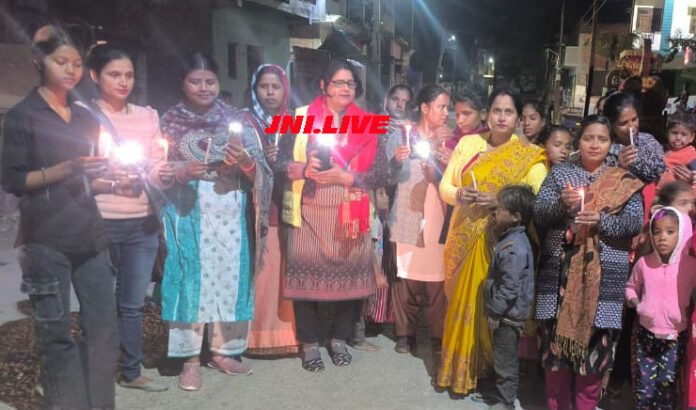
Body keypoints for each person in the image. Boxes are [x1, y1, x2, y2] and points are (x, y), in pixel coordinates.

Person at [1, 25, 118, 409]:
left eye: (77, 63)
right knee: (56, 334)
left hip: (90, 236)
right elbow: (14, 180)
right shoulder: (24, 116)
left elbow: (90, 178)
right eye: (60, 61)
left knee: (103, 330)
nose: (71, 70)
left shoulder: (85, 117)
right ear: (39, 60)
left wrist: (114, 181)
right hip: (45, 239)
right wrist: (66, 168)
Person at [159, 52, 272, 390]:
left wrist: (244, 162)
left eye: (210, 81)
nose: (204, 87)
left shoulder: (236, 120)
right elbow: (155, 168)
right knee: (190, 280)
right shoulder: (169, 122)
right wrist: (181, 171)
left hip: (230, 211)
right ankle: (190, 359)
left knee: (229, 278)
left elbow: (260, 167)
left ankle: (224, 351)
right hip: (187, 211)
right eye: (195, 81)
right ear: (183, 84)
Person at [279, 59, 389, 372]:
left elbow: (381, 172)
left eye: (350, 83)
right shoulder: (299, 118)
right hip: (309, 212)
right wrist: (303, 168)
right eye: (338, 82)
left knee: (351, 282)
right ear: (323, 85)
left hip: (351, 211)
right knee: (305, 284)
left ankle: (339, 340)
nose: (345, 89)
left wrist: (349, 177)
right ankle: (310, 344)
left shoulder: (368, 123)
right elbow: (279, 162)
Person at [436, 87, 548, 395]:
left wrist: (499, 201)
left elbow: (535, 200)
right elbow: (446, 185)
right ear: (487, 113)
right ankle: (458, 371)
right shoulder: (469, 143)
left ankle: (486, 372)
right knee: (460, 303)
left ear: (518, 118)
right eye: (497, 110)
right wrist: (459, 194)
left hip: (499, 243)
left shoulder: (528, 156)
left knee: (489, 305)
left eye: (509, 112)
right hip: (463, 235)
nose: (502, 117)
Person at [534, 115, 644, 410]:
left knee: (595, 352)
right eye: (588, 138)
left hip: (603, 278)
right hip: (560, 273)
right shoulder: (560, 175)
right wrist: (562, 203)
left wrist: (601, 220)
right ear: (578, 141)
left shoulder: (624, 181)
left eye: (602, 139)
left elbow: (634, 223)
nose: (595, 144)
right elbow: (540, 213)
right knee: (555, 351)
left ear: (611, 144)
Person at [87, 43, 170, 391]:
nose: (123, 82)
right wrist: (108, 178)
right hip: (98, 222)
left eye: (129, 75)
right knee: (97, 303)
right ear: (95, 76)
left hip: (141, 223)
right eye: (114, 74)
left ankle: (131, 371)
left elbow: (155, 163)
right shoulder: (82, 116)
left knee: (133, 304)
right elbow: (79, 172)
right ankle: (96, 371)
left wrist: (161, 173)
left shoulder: (147, 117)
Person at [387, 85, 451, 356]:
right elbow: (386, 176)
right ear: (425, 108)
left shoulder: (450, 141)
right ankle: (404, 334)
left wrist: (448, 161)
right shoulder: (402, 135)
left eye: (447, 107)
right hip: (407, 215)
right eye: (441, 107)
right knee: (406, 277)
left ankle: (438, 336)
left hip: (438, 215)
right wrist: (395, 160)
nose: (446, 113)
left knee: (438, 279)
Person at [240, 64, 298, 356]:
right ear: (255, 89)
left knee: (284, 271)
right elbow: (240, 158)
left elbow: (304, 156)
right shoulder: (246, 121)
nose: (270, 92)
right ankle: (255, 338)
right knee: (262, 273)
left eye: (276, 86)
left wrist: (283, 158)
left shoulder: (293, 121)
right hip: (255, 209)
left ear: (285, 89)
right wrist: (262, 157)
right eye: (264, 86)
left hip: (286, 205)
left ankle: (287, 335)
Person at [352, 84, 414, 351]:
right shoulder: (373, 126)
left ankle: (381, 317)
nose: (400, 104)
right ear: (386, 100)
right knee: (369, 259)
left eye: (405, 101)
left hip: (400, 204)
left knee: (389, 264)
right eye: (395, 99)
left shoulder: (411, 131)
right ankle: (361, 322)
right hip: (373, 200)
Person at [626, 207, 696, 409]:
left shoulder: (690, 266)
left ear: (682, 234)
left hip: (675, 338)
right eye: (656, 232)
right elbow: (631, 287)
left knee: (667, 386)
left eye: (670, 232)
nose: (662, 237)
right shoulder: (644, 264)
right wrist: (638, 305)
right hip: (645, 335)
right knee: (644, 387)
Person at [484, 184, 536, 410]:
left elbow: (509, 286)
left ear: (516, 217)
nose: (496, 211)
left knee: (505, 360)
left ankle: (506, 403)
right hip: (508, 314)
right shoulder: (511, 239)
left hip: (508, 316)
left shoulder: (514, 247)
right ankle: (501, 396)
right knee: (502, 356)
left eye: (501, 208)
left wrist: (496, 311)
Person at [642, 112, 696, 222]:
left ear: (692, 137)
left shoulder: (691, 154)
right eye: (674, 133)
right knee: (656, 221)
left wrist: (690, 199)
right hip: (657, 197)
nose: (678, 138)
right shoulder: (660, 150)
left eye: (684, 134)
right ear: (667, 133)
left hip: (676, 201)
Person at [602, 92, 665, 183]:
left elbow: (659, 170)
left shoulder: (648, 140)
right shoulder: (604, 148)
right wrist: (619, 166)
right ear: (611, 125)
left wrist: (636, 160)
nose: (631, 127)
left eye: (634, 119)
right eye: (623, 123)